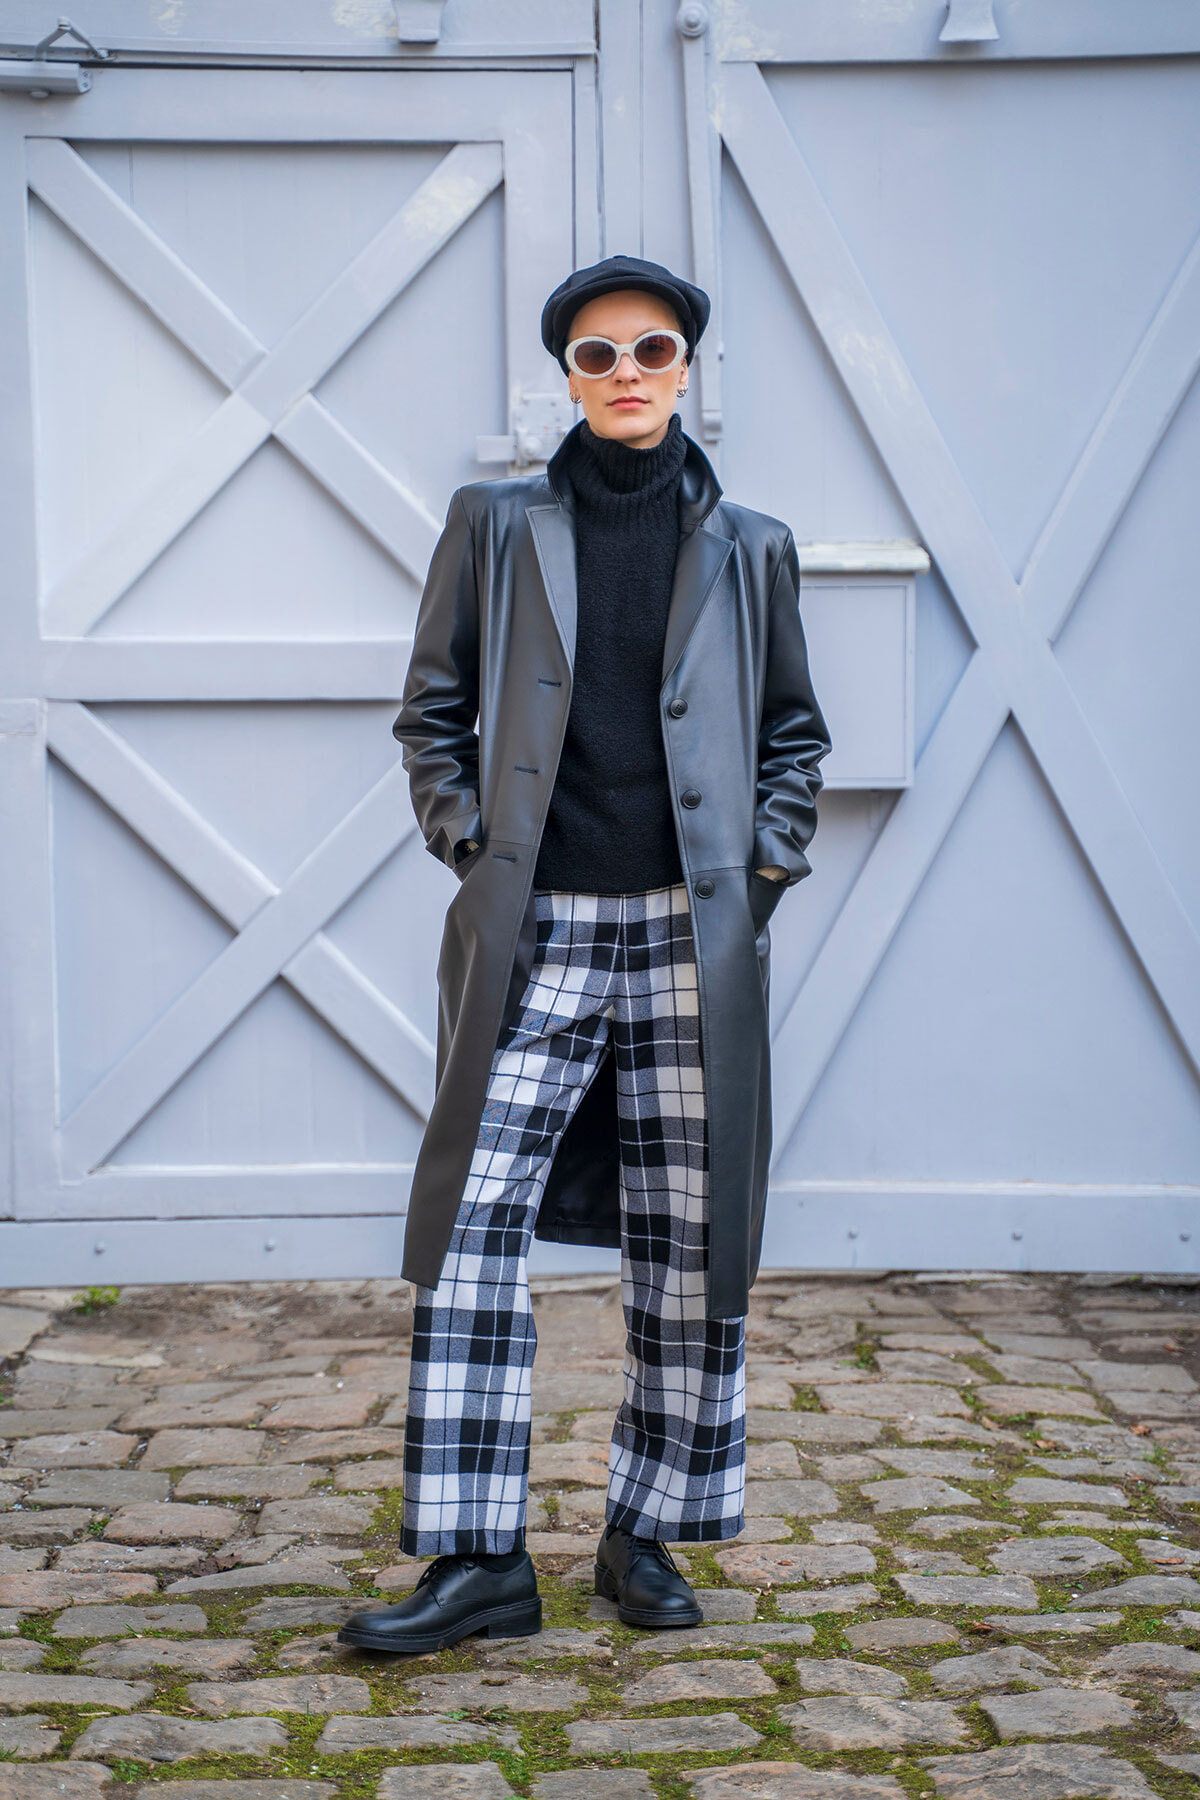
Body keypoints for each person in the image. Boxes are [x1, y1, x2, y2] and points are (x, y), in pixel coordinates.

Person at [338, 254, 832, 1655]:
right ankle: (482, 1557)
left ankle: (646, 1534)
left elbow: (795, 734)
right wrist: (472, 844)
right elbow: (431, 710)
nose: (626, 375)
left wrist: (764, 866)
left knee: (690, 1242)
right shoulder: (494, 523)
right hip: (539, 928)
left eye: (652, 351)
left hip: (693, 933)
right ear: (565, 375)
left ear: (690, 369)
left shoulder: (754, 546)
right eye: (597, 356)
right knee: (473, 1235)